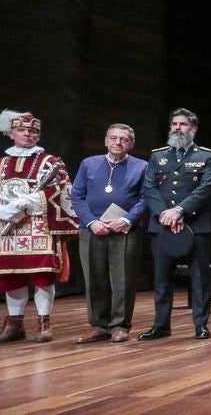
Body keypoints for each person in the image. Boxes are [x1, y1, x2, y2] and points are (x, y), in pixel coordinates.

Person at [0, 110, 78, 345]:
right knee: (9, 276)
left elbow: (61, 188)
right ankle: (14, 325)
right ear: (11, 133)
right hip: (6, 228)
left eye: (33, 131)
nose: (27, 134)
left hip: (40, 225)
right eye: (22, 130)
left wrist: (27, 202)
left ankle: (44, 323)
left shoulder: (50, 162)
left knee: (43, 275)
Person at [139, 108, 211, 341]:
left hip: (195, 225)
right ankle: (161, 325)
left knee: (199, 278)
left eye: (183, 124)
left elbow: (206, 188)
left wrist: (179, 211)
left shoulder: (207, 156)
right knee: (162, 278)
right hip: (162, 224)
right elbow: (150, 187)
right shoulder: (158, 156)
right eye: (174, 124)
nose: (177, 128)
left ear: (193, 129)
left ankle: (201, 325)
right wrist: (165, 214)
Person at [70, 123, 148, 344]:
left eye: (123, 139)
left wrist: (126, 219)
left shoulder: (141, 166)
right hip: (92, 229)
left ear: (131, 144)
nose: (118, 142)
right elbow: (77, 196)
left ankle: (120, 326)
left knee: (122, 279)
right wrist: (92, 221)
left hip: (124, 231)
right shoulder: (89, 164)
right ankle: (99, 326)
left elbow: (146, 198)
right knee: (94, 279)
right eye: (113, 138)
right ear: (105, 141)